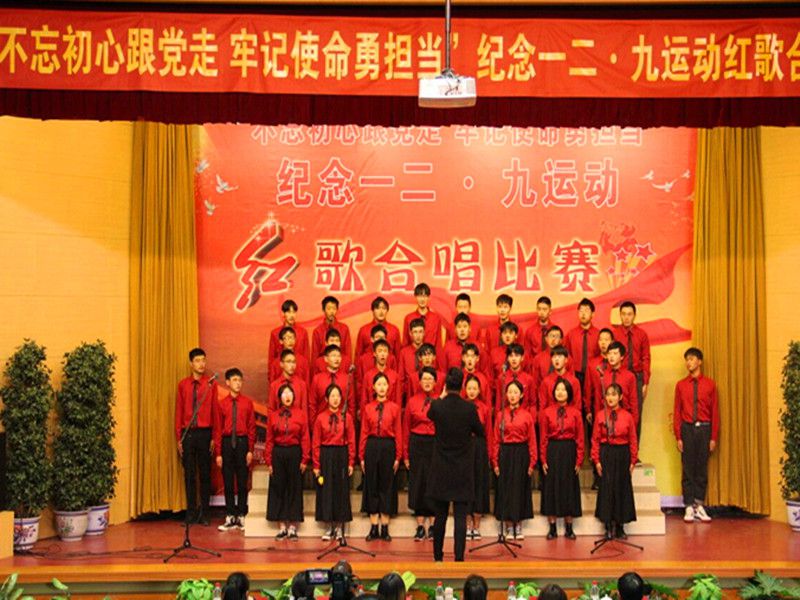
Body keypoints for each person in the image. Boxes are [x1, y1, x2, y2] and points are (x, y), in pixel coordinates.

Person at [427, 368, 485, 562]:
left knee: (440, 515)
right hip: (461, 468)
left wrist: (441, 396)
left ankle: (438, 557)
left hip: (441, 468)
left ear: (445, 385)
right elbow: (480, 431)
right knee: (460, 516)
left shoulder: (437, 406)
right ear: (462, 386)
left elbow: (430, 414)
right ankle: (459, 558)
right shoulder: (469, 409)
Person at [673, 347, 719, 523]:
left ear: (700, 361)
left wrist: (713, 437)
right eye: (687, 359)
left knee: (701, 468)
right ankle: (688, 505)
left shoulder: (710, 384)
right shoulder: (680, 385)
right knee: (687, 468)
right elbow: (677, 411)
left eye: (692, 359)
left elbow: (715, 412)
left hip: (704, 428)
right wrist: (678, 436)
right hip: (687, 428)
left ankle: (698, 505)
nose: (688, 362)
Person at [175, 347, 219, 525]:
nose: (201, 364)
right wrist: (179, 437)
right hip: (188, 433)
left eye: (203, 360)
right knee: (189, 475)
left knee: (205, 475)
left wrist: (214, 437)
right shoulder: (183, 385)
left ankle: (205, 513)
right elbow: (179, 412)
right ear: (191, 363)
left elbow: (215, 412)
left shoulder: (210, 384)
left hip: (205, 433)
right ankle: (191, 513)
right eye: (198, 361)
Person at [592, 383, 638, 540]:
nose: (610, 398)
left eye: (614, 394)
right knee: (606, 488)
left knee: (621, 488)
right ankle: (607, 525)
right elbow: (595, 439)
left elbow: (633, 439)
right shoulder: (600, 415)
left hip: (622, 453)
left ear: (620, 397)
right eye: (608, 394)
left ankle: (620, 526)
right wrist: (596, 460)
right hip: (606, 452)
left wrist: (633, 460)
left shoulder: (627, 416)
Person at [539, 378, 583, 540]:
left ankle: (569, 527)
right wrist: (543, 459)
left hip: (569, 451)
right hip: (552, 450)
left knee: (569, 488)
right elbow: (543, 437)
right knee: (551, 487)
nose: (560, 392)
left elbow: (580, 438)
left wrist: (579, 460)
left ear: (569, 393)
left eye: (563, 390)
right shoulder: (546, 412)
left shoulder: (576, 413)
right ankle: (552, 528)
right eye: (557, 389)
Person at [492, 379, 536, 540]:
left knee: (520, 487)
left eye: (515, 392)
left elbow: (532, 440)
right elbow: (496, 439)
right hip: (505, 452)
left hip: (521, 453)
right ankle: (508, 526)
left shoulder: (527, 415)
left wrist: (532, 462)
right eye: (509, 392)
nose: (512, 395)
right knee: (505, 488)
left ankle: (518, 524)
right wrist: (495, 461)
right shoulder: (500, 415)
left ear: (521, 395)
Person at [360, 372, 402, 541]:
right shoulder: (368, 408)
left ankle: (385, 528)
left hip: (388, 446)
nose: (382, 387)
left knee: (387, 485)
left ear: (389, 387)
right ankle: (373, 527)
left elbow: (398, 432)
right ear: (373, 387)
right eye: (379, 384)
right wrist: (361, 456)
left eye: (385, 384)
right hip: (372, 446)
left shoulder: (394, 408)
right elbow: (364, 432)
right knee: (372, 485)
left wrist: (398, 456)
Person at [266, 383, 310, 540]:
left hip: (294, 452)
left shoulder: (301, 414)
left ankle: (292, 527)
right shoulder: (273, 415)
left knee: (294, 488)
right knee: (279, 488)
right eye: (284, 393)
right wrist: (269, 461)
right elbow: (269, 439)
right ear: (279, 398)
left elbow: (305, 437)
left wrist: (305, 458)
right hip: (278, 453)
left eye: (290, 393)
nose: (287, 396)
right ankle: (282, 527)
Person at [214, 368, 256, 532]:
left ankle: (242, 515)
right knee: (228, 481)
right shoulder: (222, 404)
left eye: (240, 380)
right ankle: (230, 515)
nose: (238, 383)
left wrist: (250, 449)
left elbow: (251, 428)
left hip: (242, 442)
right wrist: (218, 453)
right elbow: (218, 429)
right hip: (226, 443)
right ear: (228, 382)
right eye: (234, 380)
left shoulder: (247, 403)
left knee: (242, 481)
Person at [313, 384, 356, 541]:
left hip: (341, 455)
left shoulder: (347, 417)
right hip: (326, 455)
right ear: (326, 399)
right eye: (332, 396)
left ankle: (339, 527)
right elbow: (316, 442)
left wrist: (351, 461)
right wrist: (316, 465)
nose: (336, 399)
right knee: (326, 490)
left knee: (340, 490)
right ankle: (328, 527)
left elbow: (351, 440)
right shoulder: (320, 418)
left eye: (338, 395)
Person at [403, 367, 438, 541]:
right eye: (424, 379)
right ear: (419, 381)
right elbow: (406, 428)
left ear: (435, 382)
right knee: (418, 484)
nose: (427, 382)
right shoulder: (412, 401)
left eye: (430, 379)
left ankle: (432, 526)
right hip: (417, 443)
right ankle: (420, 526)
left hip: (434, 444)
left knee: (433, 483)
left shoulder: (439, 401)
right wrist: (405, 454)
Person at [613, 302, 651, 442]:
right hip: (619, 376)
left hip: (637, 377)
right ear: (620, 315)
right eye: (623, 314)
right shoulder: (615, 334)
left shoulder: (642, 334)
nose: (626, 317)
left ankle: (634, 449)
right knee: (617, 411)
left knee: (636, 414)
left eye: (629, 314)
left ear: (634, 315)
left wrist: (645, 382)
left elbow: (646, 358)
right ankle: (619, 446)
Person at [464, 374, 493, 540]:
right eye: (469, 388)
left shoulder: (485, 408)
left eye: (475, 388)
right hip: (465, 447)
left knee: (479, 483)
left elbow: (488, 432)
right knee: (466, 484)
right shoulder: (461, 407)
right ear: (465, 389)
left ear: (479, 390)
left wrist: (489, 455)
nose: (472, 391)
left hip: (480, 447)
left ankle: (476, 526)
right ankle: (467, 525)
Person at [587, 341, 639, 426]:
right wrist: (598, 420)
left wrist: (633, 424)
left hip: (624, 420)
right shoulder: (602, 376)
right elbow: (598, 400)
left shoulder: (630, 376)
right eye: (609, 353)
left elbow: (633, 402)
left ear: (622, 356)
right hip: (606, 420)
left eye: (615, 353)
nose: (611, 356)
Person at [310, 344, 355, 424]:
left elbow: (351, 403)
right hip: (322, 423)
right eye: (333, 356)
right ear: (326, 359)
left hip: (342, 423)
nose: (337, 359)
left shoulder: (347, 378)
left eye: (339, 356)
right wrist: (314, 424)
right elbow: (312, 404)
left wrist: (350, 424)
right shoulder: (317, 379)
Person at [565, 298, 600, 397]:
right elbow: (567, 355)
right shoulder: (571, 334)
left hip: (593, 374)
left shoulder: (599, 334)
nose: (583, 314)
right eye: (581, 311)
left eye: (586, 311)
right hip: (575, 374)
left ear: (593, 314)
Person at [494, 343, 536, 413]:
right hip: (506, 416)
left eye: (516, 356)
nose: (513, 359)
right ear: (507, 358)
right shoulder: (501, 378)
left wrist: (530, 417)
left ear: (522, 358)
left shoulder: (529, 379)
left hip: (524, 416)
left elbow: (533, 404)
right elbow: (498, 403)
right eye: (511, 356)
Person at [268, 349, 310, 417]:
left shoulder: (302, 385)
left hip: (298, 422)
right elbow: (271, 410)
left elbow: (304, 410)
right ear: (281, 364)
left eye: (294, 362)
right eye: (288, 362)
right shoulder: (274, 386)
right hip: (280, 421)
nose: (292, 365)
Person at [403, 283, 445, 349]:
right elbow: (405, 342)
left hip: (430, 354)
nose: (422, 299)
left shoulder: (436, 318)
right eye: (420, 296)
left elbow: (438, 344)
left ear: (428, 297)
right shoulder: (409, 318)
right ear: (415, 297)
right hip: (413, 354)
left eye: (425, 296)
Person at [312, 296, 352, 361]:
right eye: (329, 308)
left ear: (337, 310)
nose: (331, 311)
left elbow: (348, 352)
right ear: (323, 310)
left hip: (340, 362)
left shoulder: (344, 329)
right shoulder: (317, 331)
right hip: (323, 363)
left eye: (334, 308)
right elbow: (315, 355)